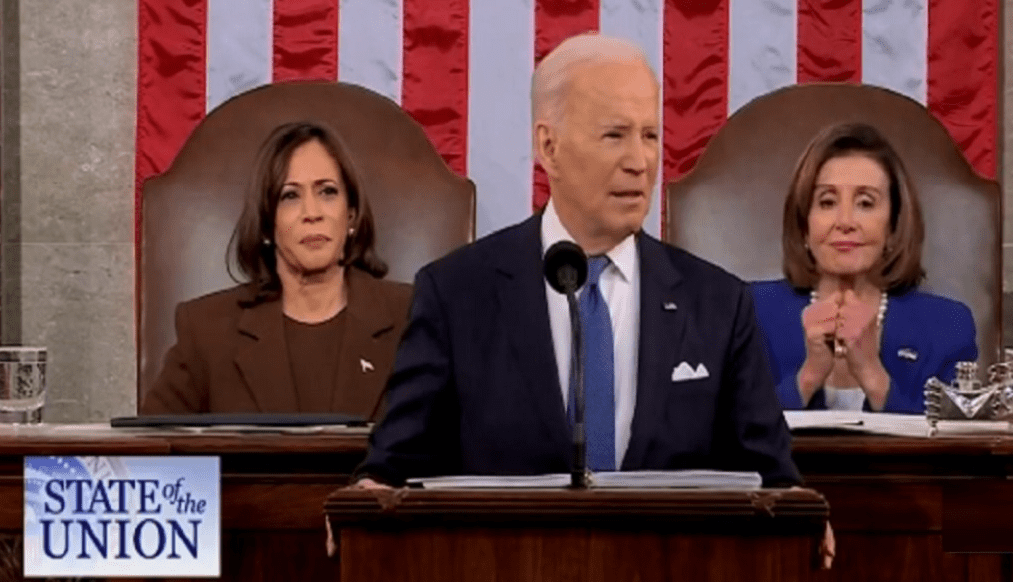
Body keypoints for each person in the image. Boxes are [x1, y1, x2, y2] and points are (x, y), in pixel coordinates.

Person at [354, 34, 801, 488]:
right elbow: (393, 470)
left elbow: (772, 481)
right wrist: (370, 496)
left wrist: (797, 511)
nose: (640, 162)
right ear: (549, 148)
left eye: (650, 136)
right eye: (614, 135)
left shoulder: (718, 304)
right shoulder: (456, 295)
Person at [141, 122, 413, 418]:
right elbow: (147, 460)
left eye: (328, 192)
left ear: (351, 215)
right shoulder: (207, 331)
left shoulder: (412, 318)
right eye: (290, 196)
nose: (312, 213)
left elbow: (455, 446)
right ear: (267, 224)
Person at [750, 122, 978, 414]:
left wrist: (873, 376)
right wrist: (807, 378)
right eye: (827, 201)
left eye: (866, 203)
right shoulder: (751, 314)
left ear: (894, 227)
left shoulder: (949, 326)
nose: (845, 221)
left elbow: (955, 452)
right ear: (804, 226)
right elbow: (729, 437)